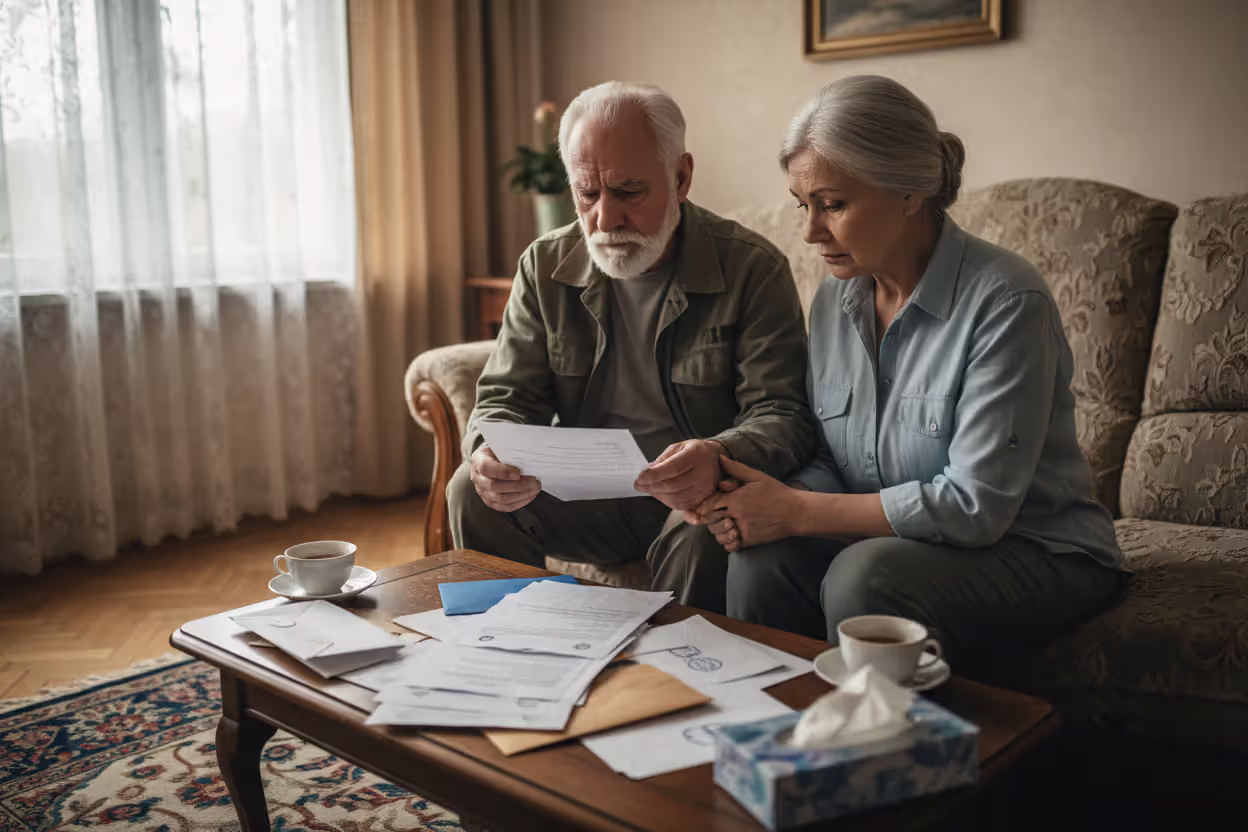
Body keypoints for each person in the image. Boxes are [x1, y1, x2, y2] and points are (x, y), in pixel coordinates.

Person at [690, 75, 1127, 669]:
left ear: (909, 192)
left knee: (862, 577)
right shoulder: (834, 299)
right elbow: (830, 456)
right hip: (901, 540)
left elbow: (975, 505)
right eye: (804, 206)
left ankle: (878, 754)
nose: (810, 232)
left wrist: (796, 509)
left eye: (833, 204)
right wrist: (762, 502)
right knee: (761, 559)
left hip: (1037, 549)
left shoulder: (1005, 301)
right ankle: (775, 740)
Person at [448, 81, 815, 611]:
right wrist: (487, 452)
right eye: (588, 193)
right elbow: (505, 396)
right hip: (582, 499)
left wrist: (720, 453)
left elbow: (783, 412)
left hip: (690, 500)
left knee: (706, 528)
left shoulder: (751, 268)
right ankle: (501, 653)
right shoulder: (544, 265)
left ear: (681, 177)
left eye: (629, 191)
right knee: (469, 490)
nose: (605, 218)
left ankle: (686, 676)